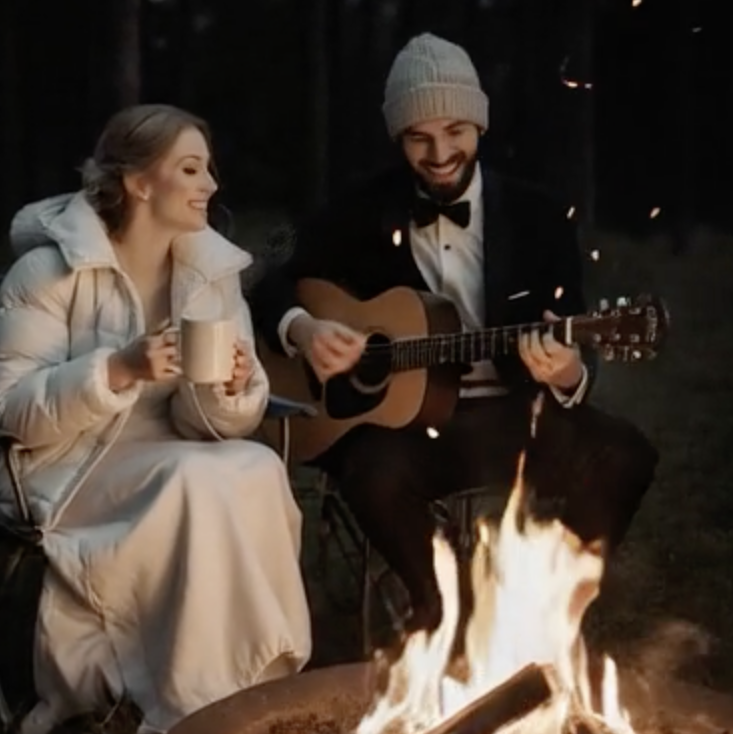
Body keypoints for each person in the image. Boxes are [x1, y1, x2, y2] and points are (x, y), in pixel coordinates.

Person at [250, 34, 658, 633]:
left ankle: (546, 614)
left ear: (480, 125)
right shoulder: (360, 209)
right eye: (419, 138)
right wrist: (303, 328)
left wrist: (567, 371)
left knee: (625, 453)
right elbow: (269, 272)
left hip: (517, 418)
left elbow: (573, 334)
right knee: (372, 475)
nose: (440, 153)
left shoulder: (539, 216)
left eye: (455, 132)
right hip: (408, 434)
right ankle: (436, 614)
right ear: (398, 137)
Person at [0, 104, 312, 734]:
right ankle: (196, 704)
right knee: (194, 481)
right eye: (191, 168)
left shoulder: (210, 271)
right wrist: (118, 369)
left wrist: (232, 388)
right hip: (59, 464)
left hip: (169, 452)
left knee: (257, 466)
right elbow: (7, 410)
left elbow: (220, 422)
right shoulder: (49, 272)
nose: (211, 184)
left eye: (209, 168)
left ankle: (262, 681)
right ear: (138, 183)